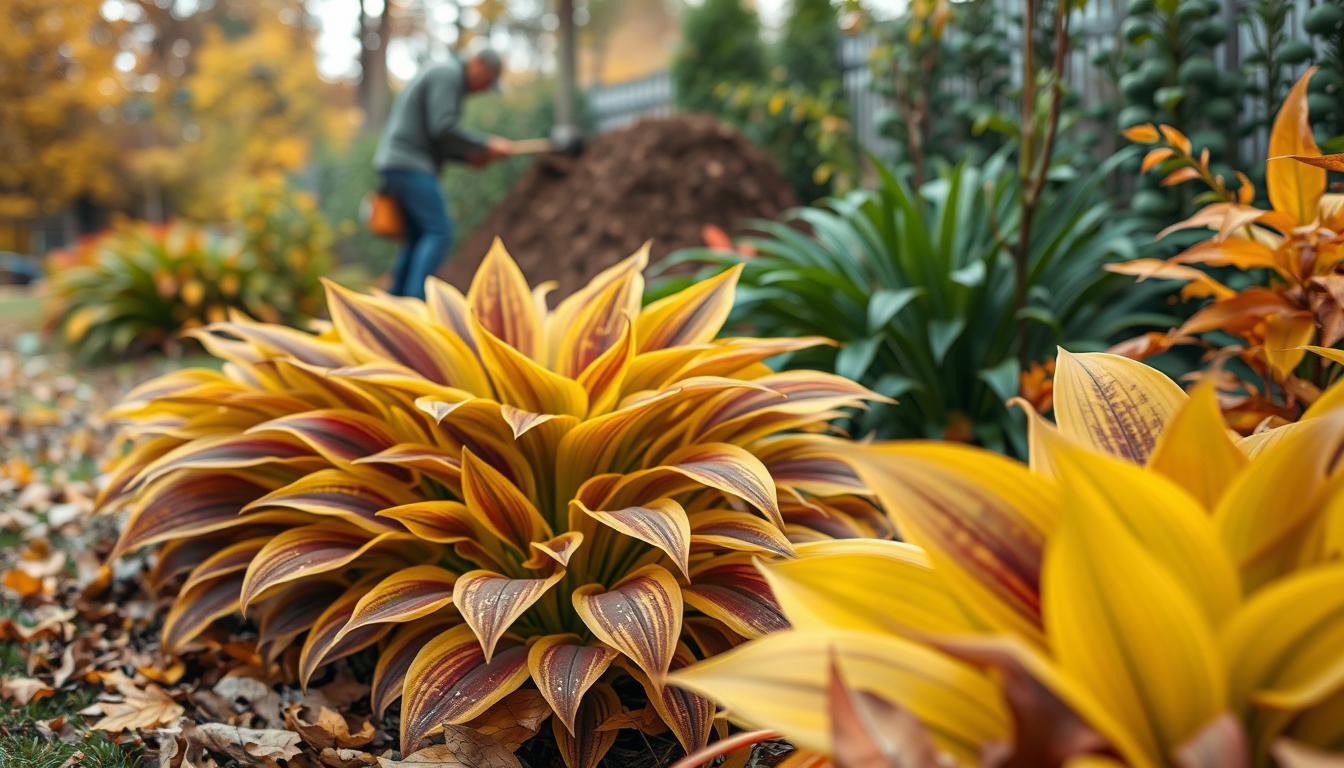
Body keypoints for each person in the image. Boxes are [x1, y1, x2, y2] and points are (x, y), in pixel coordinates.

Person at [374, 49, 514, 299]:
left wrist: (471, 157)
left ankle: (396, 302)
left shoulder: (443, 73)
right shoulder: (447, 73)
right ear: (477, 64)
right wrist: (485, 144)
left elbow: (437, 137)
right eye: (487, 81)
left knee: (416, 236)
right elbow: (443, 128)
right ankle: (417, 301)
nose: (483, 90)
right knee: (439, 231)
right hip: (408, 163)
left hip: (397, 163)